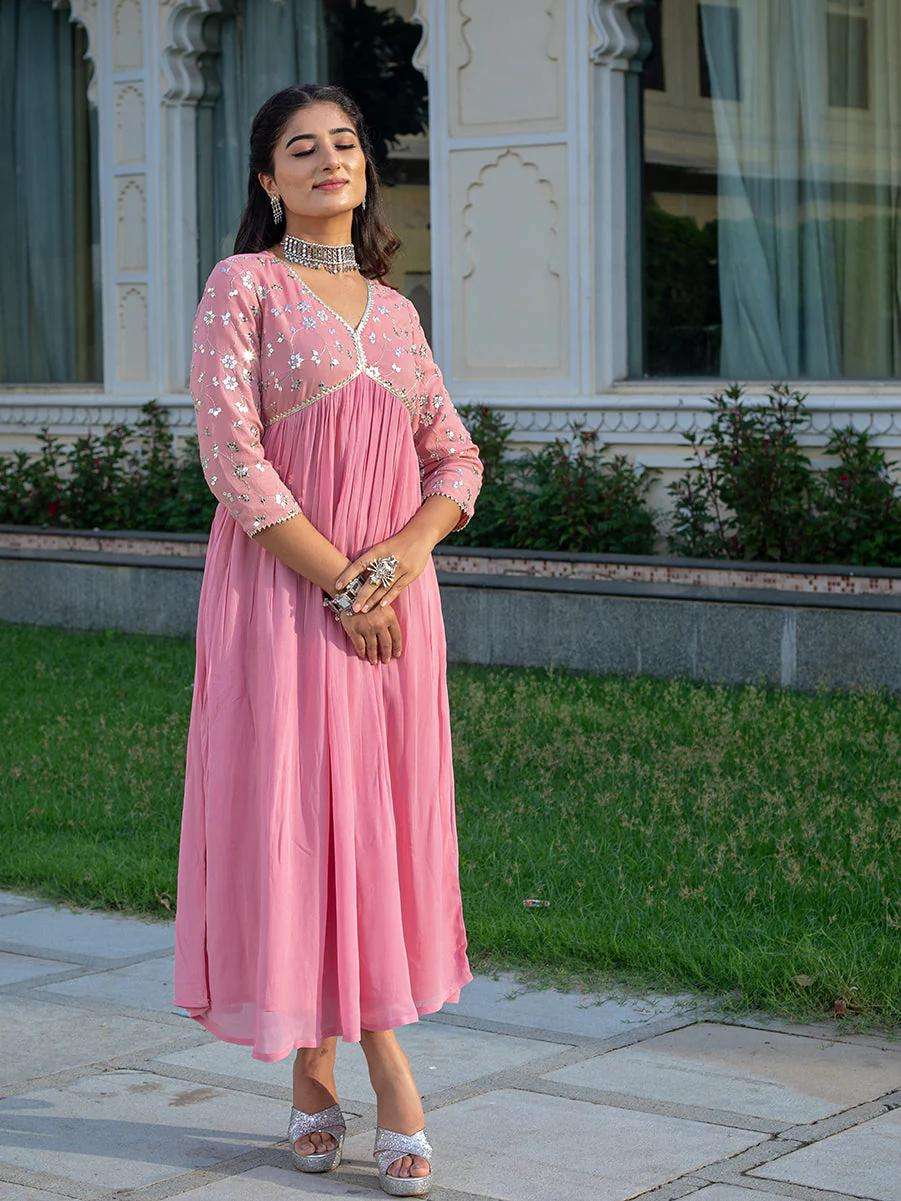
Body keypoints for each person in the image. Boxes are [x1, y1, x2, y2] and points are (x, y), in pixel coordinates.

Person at [171, 83, 484, 1198]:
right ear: (268, 179)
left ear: (365, 168)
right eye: (301, 149)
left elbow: (456, 460)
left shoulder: (395, 312)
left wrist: (390, 565)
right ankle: (383, 1073)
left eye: (344, 142)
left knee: (372, 831)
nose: (328, 160)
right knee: (303, 822)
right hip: (282, 604)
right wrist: (344, 584)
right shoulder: (243, 287)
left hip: (394, 619)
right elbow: (233, 460)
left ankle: (316, 1065)